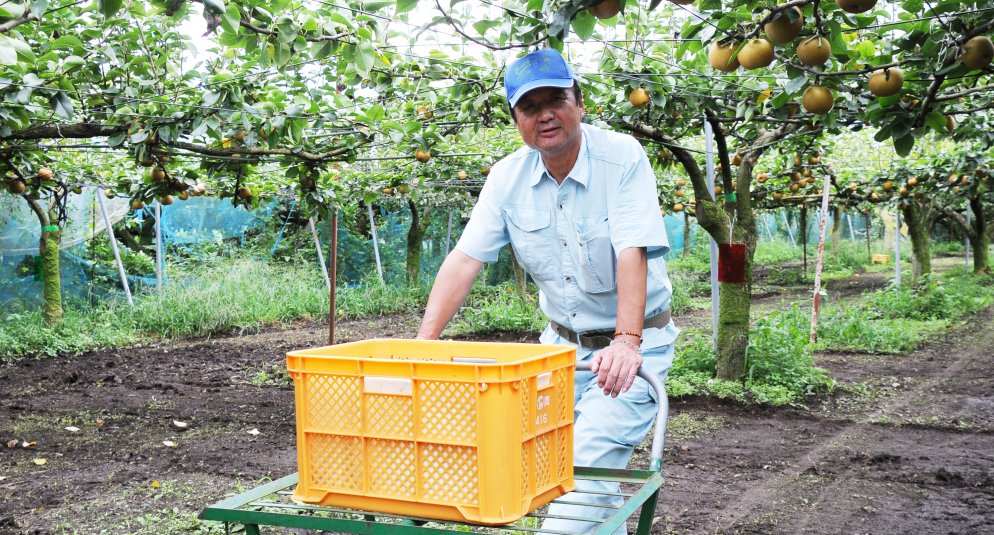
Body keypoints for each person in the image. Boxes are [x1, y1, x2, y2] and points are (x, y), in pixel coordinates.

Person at [415, 48, 678, 534]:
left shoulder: (621, 157)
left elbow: (631, 250)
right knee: (552, 468)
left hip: (630, 349)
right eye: (529, 107)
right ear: (517, 119)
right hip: (559, 350)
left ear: (579, 102)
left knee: (582, 473)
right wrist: (420, 347)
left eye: (555, 99)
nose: (545, 115)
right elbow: (465, 259)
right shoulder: (506, 177)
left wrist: (627, 341)